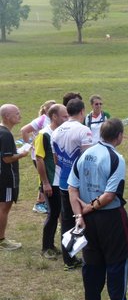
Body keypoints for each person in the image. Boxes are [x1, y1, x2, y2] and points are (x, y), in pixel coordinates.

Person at [68, 118, 128, 300]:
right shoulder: (116, 158)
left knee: (91, 262)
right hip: (110, 218)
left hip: (87, 220)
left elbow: (72, 189)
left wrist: (79, 215)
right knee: (117, 262)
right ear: (119, 136)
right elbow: (110, 195)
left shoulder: (84, 155)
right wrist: (88, 208)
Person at [52, 98, 93, 269]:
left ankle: (68, 258)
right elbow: (87, 160)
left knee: (67, 220)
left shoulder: (56, 131)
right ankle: (90, 255)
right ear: (82, 111)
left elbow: (56, 160)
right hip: (81, 184)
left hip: (63, 181)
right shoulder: (84, 131)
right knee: (86, 218)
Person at [34, 104, 69, 259]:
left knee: (59, 213)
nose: (67, 119)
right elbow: (39, 159)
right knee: (53, 213)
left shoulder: (61, 132)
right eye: (64, 116)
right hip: (51, 182)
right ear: (54, 116)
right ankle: (46, 247)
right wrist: (45, 183)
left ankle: (52, 245)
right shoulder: (44, 134)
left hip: (61, 181)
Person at [0, 104, 30, 251]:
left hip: (3, 176)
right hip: (6, 177)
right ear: (7, 116)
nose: (20, 116)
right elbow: (7, 159)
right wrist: (22, 154)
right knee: (4, 207)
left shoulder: (2, 131)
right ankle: (2, 239)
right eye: (16, 113)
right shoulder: (5, 134)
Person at [20, 99, 56, 214]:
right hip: (38, 156)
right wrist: (29, 145)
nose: (52, 109)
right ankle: (39, 203)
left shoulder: (53, 120)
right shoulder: (42, 120)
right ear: (45, 110)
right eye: (50, 107)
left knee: (45, 178)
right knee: (44, 179)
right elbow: (24, 130)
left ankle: (43, 202)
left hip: (47, 155)